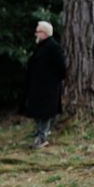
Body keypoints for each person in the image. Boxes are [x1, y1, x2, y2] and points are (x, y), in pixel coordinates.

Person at [23, 21, 66, 149]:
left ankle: (42, 137)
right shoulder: (42, 46)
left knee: (46, 113)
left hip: (49, 87)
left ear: (45, 33)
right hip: (38, 87)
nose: (36, 33)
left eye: (38, 31)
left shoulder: (53, 47)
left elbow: (62, 68)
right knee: (38, 111)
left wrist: (52, 79)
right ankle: (39, 134)